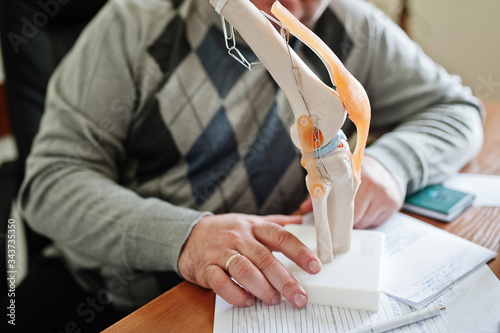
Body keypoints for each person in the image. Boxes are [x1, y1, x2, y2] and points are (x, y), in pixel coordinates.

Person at [18, 0, 483, 317]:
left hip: (271, 291)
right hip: (120, 289)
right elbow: (51, 182)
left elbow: (458, 111)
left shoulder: (350, 24)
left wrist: (389, 166)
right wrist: (186, 237)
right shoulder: (137, 21)